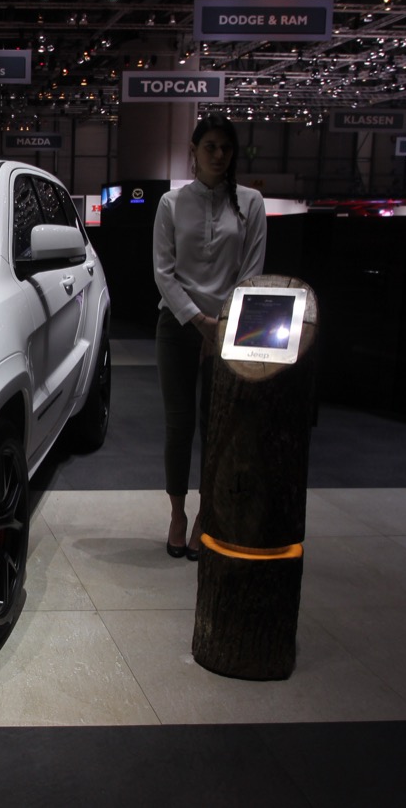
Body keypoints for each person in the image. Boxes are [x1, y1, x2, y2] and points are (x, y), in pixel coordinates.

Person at [153, 114, 267, 561]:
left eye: (226, 148)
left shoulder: (251, 202)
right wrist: (197, 320)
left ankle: (207, 514)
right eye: (211, 147)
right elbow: (163, 272)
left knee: (218, 428)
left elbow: (251, 272)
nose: (219, 155)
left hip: (230, 330)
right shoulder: (170, 203)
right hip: (177, 325)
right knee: (179, 425)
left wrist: (221, 325)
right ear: (194, 152)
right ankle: (178, 513)